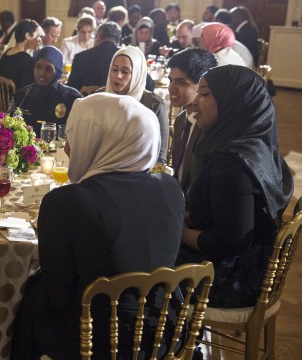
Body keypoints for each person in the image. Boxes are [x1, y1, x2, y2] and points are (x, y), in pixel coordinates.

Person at [11, 92, 184, 359]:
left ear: (100, 140)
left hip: (98, 340)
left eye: (74, 136)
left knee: (30, 299)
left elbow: (58, 297)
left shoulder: (67, 202)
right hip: (165, 331)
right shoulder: (171, 188)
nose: (68, 147)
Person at [178, 65, 293, 308]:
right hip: (250, 265)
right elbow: (224, 210)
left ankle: (171, 342)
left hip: (231, 278)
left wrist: (179, 232)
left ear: (234, 101)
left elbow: (231, 243)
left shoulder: (231, 163)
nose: (195, 101)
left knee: (141, 263)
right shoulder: (254, 142)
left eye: (205, 94)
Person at [104, 46, 169, 164]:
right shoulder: (101, 97)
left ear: (137, 73)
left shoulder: (154, 104)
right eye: (114, 70)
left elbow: (160, 156)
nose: (118, 76)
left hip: (140, 173)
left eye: (125, 71)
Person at [167, 48, 217, 196]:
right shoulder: (181, 119)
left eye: (181, 82)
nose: (171, 88)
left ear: (203, 85)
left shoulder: (209, 127)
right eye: (171, 80)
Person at [11, 45, 81, 129]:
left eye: (48, 69)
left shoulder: (71, 98)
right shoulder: (22, 96)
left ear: (58, 72)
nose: (42, 73)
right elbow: (9, 128)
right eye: (38, 67)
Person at [67, 21, 121, 92]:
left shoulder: (80, 57)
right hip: (116, 102)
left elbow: (71, 89)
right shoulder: (124, 58)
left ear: (98, 36)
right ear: (119, 41)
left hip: (86, 102)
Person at [0, 19, 39, 91]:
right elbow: (27, 89)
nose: (38, 39)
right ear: (28, 35)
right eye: (36, 36)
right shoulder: (27, 60)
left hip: (2, 99)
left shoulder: (7, 52)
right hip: (16, 100)